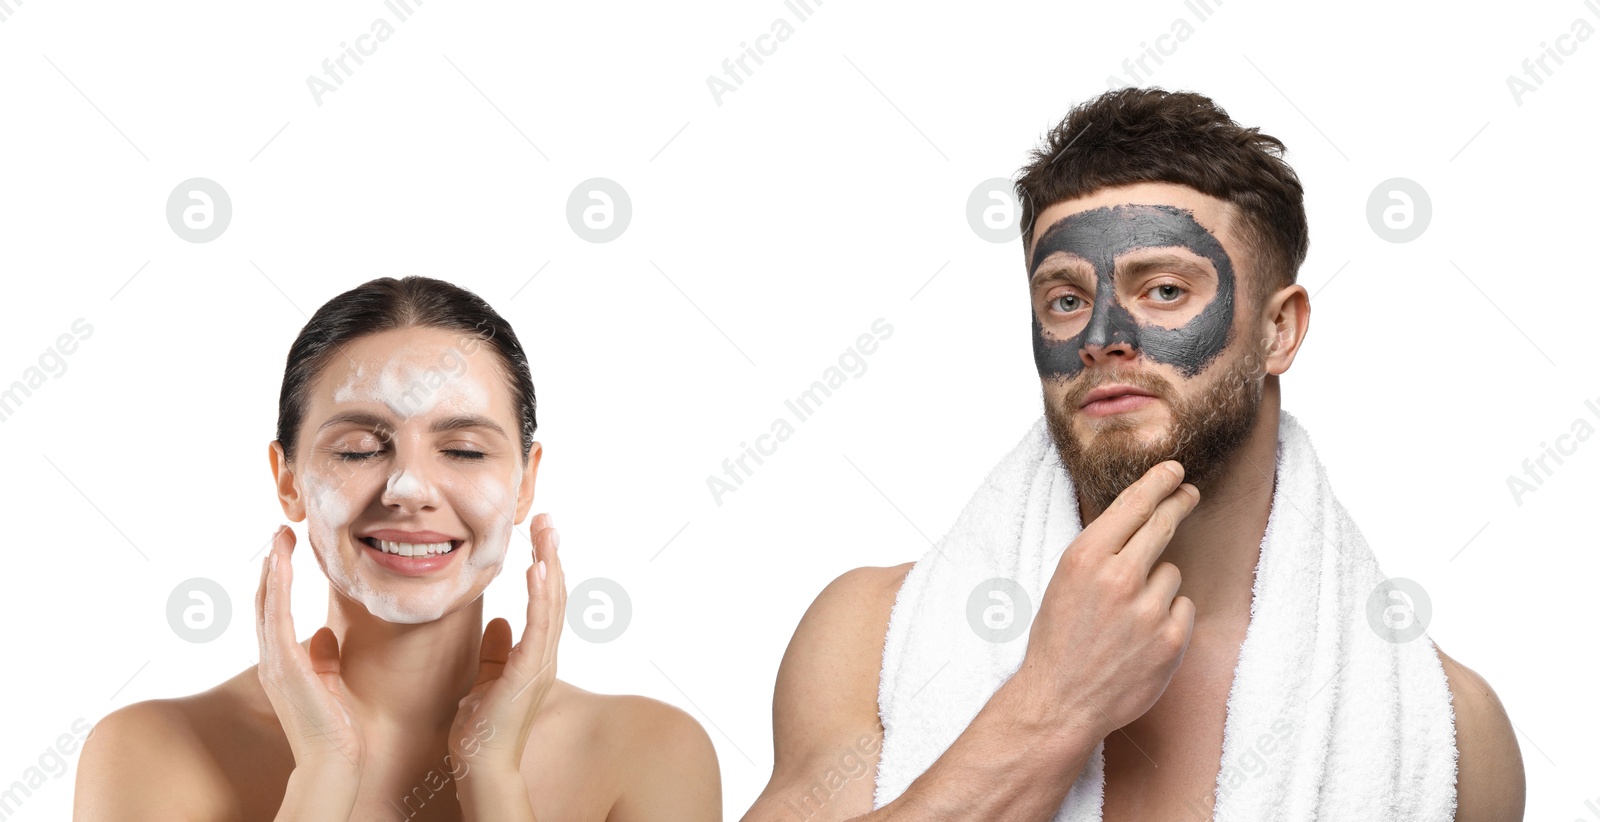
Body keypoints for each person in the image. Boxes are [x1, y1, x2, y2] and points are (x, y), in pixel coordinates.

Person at [742, 88, 1525, 821]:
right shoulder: (866, 640)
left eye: (1164, 291)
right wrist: (1053, 706)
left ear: (1279, 330)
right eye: (1066, 299)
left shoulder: (1447, 728)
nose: (1102, 339)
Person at [75, 276, 721, 821]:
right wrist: (319, 785)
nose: (409, 488)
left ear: (526, 484)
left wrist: (493, 780)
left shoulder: (651, 754)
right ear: (288, 481)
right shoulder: (151, 752)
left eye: (464, 450)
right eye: (358, 449)